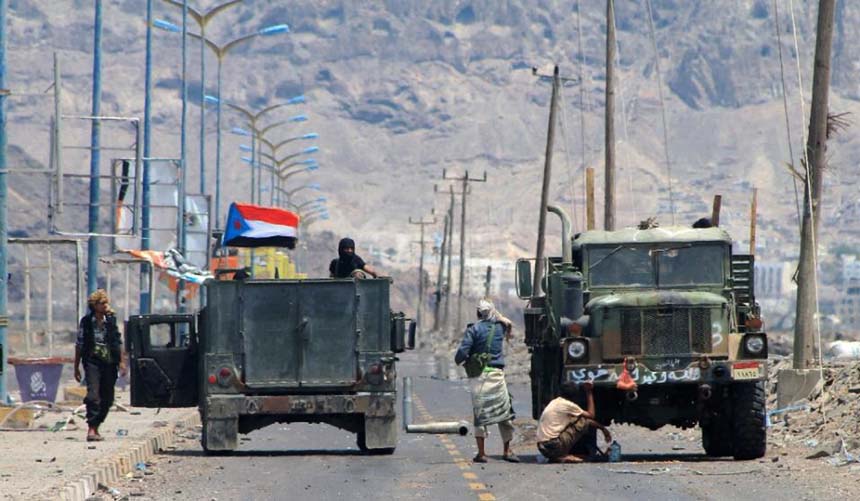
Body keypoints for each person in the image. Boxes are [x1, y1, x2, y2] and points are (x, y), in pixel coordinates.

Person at [455, 298, 518, 463]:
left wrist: (461, 360)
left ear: (478, 313)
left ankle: (481, 453)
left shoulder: (473, 330)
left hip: (479, 377)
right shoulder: (500, 328)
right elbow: (506, 322)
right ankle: (507, 451)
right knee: (505, 413)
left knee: (480, 415)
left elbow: (462, 353)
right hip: (497, 375)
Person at [74, 289, 127, 442]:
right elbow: (79, 344)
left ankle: (97, 424)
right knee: (93, 395)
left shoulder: (110, 321)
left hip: (109, 363)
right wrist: (76, 366)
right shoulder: (86, 322)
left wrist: (122, 362)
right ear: (94, 305)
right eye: (102, 303)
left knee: (108, 398)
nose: (105, 306)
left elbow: (117, 342)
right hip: (92, 362)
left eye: (106, 303)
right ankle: (91, 427)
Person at [536, 382, 612, 463]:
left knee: (576, 421)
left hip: (542, 448)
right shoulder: (568, 405)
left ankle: (559, 456)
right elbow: (591, 415)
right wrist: (589, 392)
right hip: (554, 446)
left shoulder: (554, 402)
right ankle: (562, 455)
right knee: (583, 421)